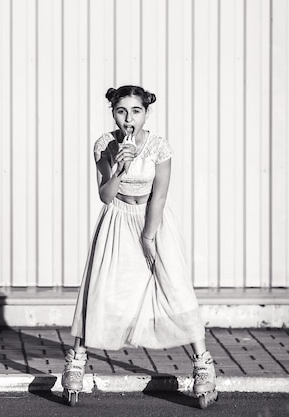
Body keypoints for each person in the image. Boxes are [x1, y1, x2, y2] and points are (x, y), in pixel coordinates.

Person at [61, 86, 217, 408]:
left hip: (152, 221)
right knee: (100, 289)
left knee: (175, 287)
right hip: (117, 219)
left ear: (146, 113)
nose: (128, 118)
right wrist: (119, 166)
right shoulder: (104, 145)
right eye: (121, 111)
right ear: (113, 113)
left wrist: (148, 237)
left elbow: (159, 195)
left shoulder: (160, 148)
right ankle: (77, 358)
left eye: (136, 111)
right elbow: (105, 195)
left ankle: (203, 365)